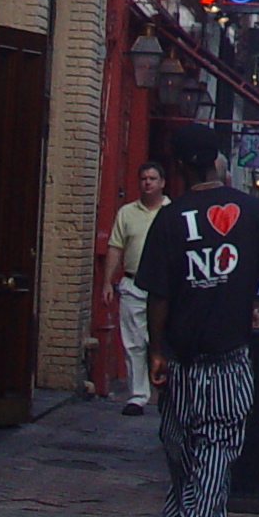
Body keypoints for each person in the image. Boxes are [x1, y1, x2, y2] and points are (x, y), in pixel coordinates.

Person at [137, 124, 259, 517]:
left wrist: (155, 350)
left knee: (182, 441)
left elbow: (157, 294)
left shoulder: (170, 217)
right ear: (217, 159)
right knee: (212, 444)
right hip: (230, 351)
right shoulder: (253, 212)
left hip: (182, 354)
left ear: (178, 166)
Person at [101, 159, 170, 415]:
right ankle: (138, 395)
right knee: (133, 341)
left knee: (162, 338)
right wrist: (107, 281)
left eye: (152, 179)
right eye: (143, 179)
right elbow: (115, 246)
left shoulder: (172, 212)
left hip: (164, 286)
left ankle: (166, 390)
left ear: (162, 182)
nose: (148, 183)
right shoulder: (127, 213)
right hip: (133, 282)